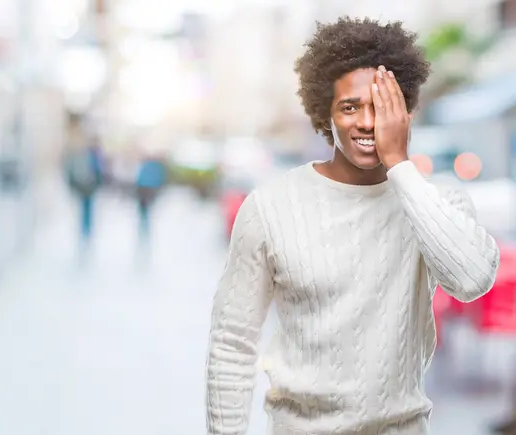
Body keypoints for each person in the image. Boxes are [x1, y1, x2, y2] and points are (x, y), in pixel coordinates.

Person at [205, 17, 500, 435]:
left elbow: (471, 279)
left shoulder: (436, 201)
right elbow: (231, 345)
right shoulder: (270, 207)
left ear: (405, 111)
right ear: (325, 114)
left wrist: (400, 165)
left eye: (380, 107)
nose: (366, 122)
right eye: (350, 107)